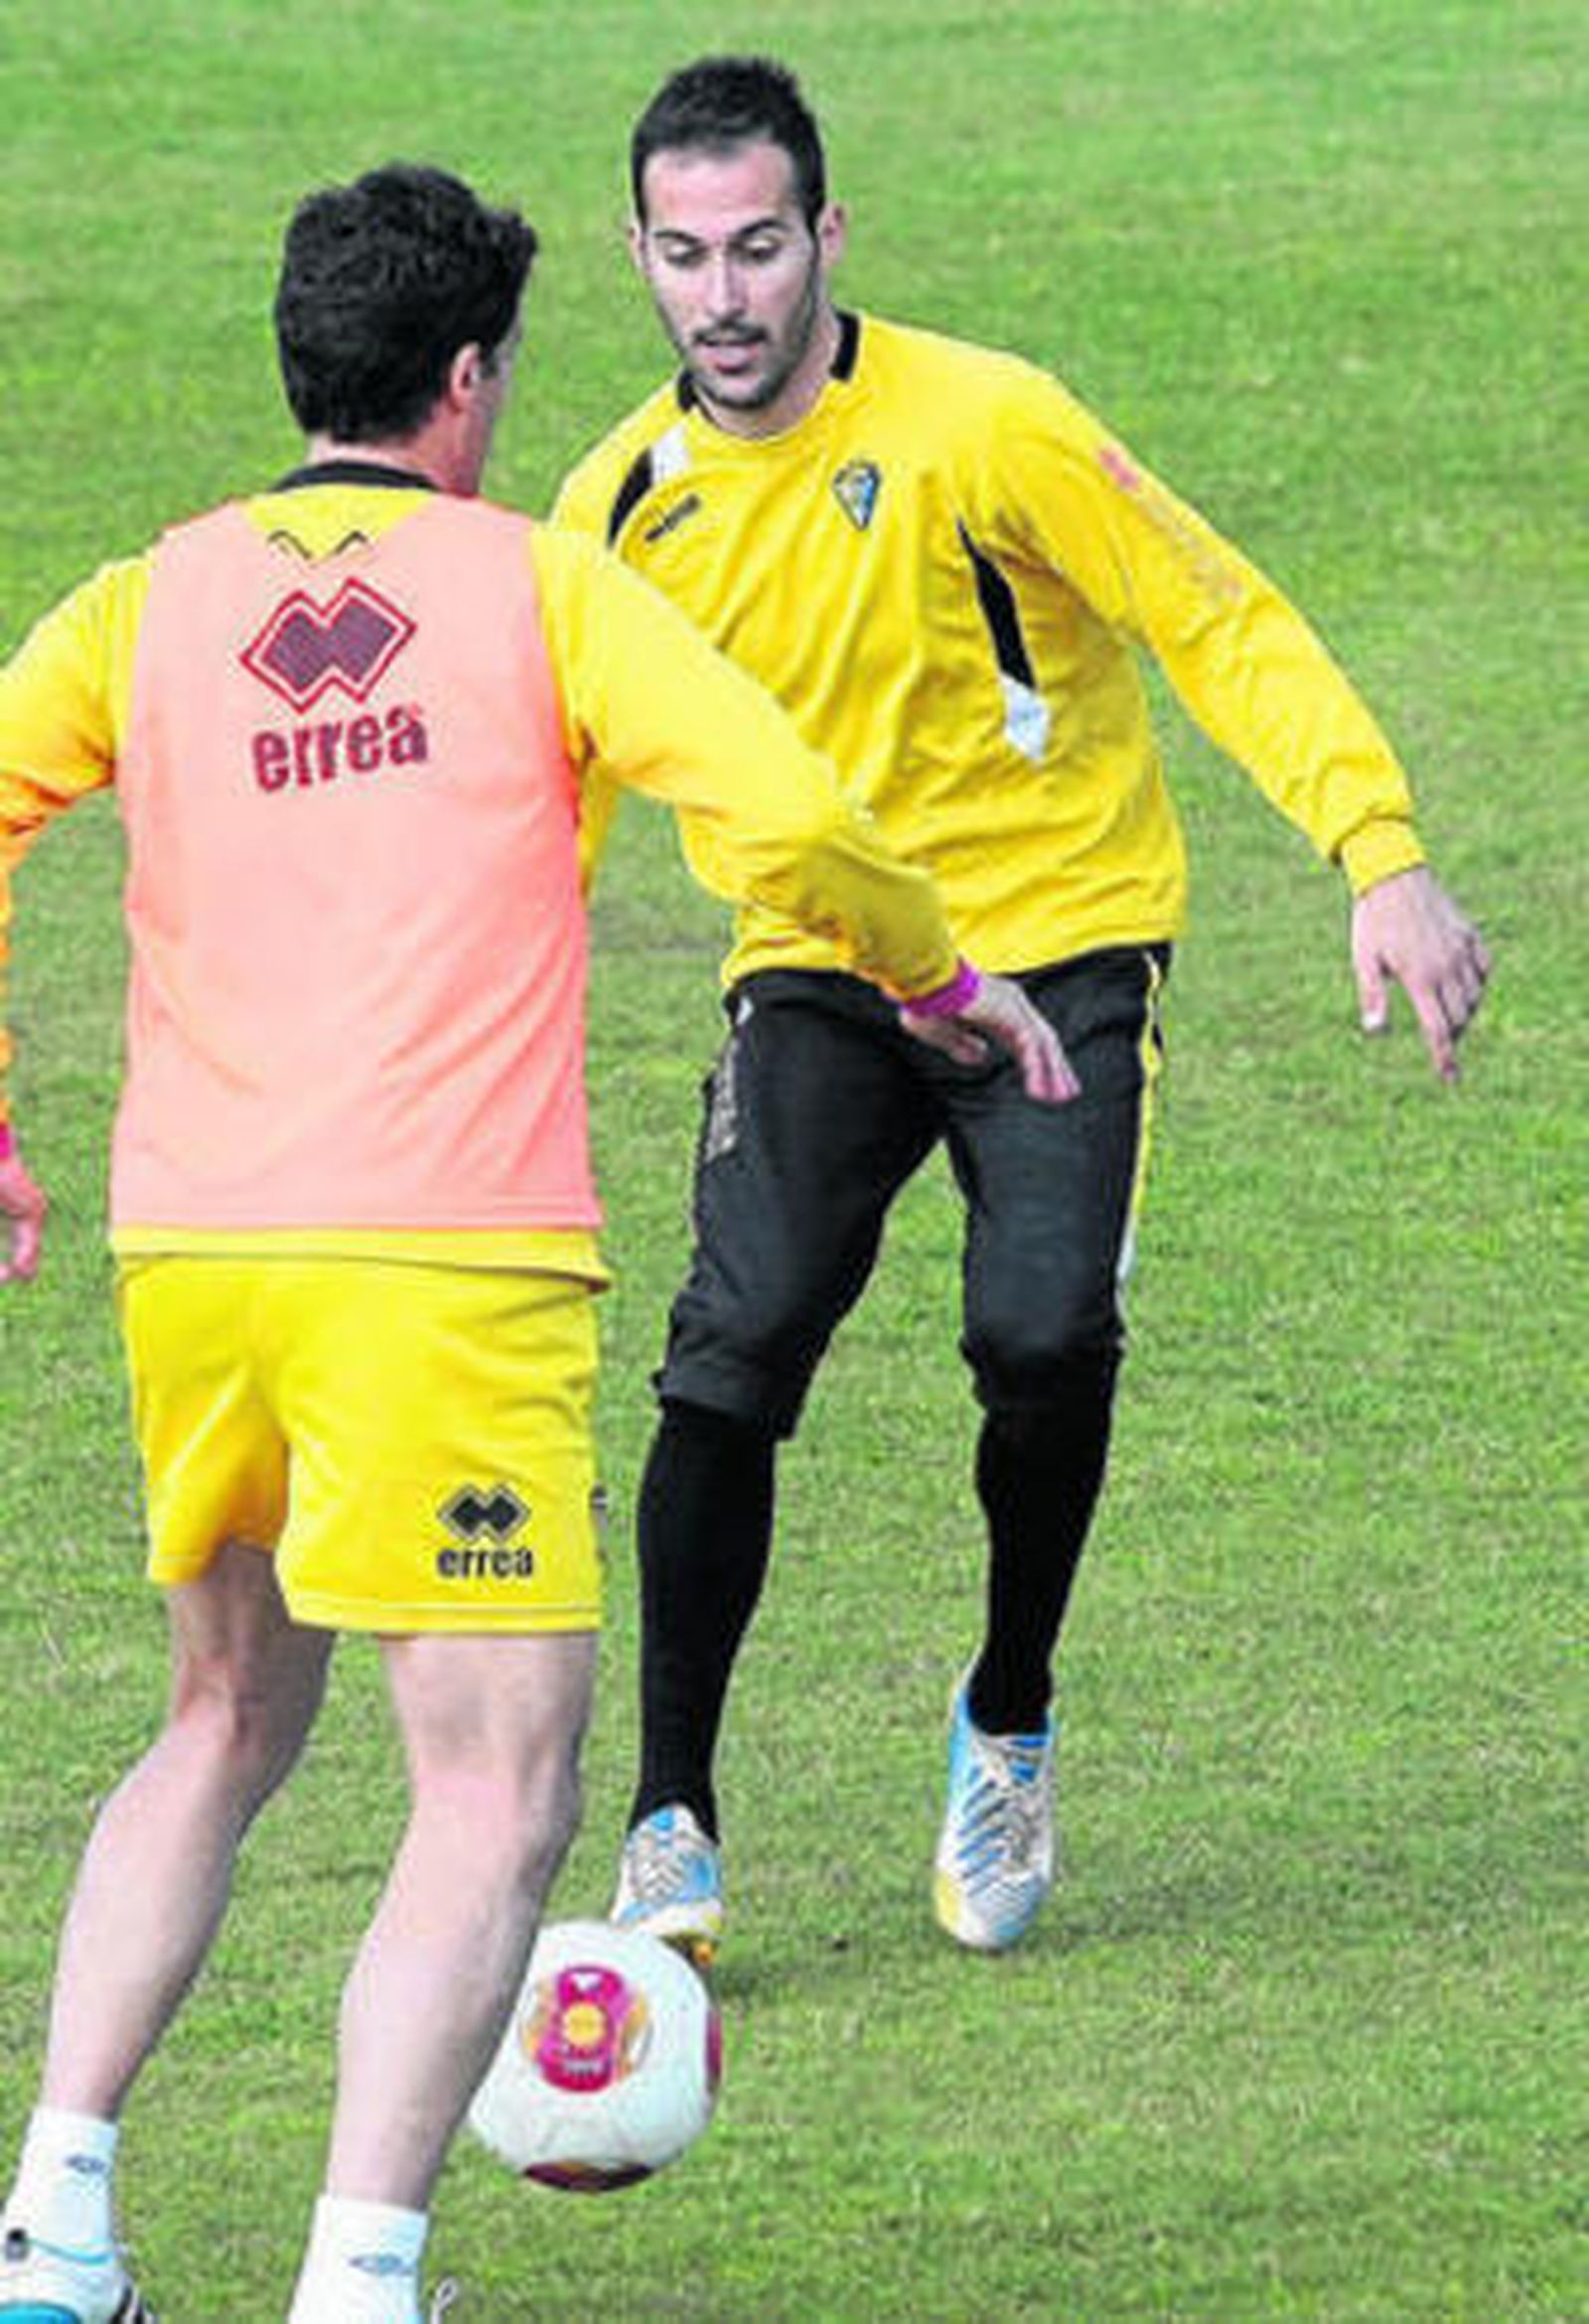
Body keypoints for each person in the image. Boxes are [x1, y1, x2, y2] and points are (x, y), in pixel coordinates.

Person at [0, 163, 1066, 2324]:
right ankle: (360, 2283)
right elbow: (784, 817)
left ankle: (58, 2224)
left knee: (216, 1718)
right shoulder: (534, 592)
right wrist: (942, 980)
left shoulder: (146, 600)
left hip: (194, 1253)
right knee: (492, 1787)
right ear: (468, 384)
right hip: (442, 1258)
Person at [552, 55, 1492, 1965]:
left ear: (829, 236)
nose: (723, 297)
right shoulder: (617, 509)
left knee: (1045, 1340)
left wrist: (1373, 847)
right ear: (635, 257)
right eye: (682, 256)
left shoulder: (992, 424)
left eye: (755, 248)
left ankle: (1009, 1710)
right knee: (731, 1351)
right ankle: (670, 1815)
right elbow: (543, 796)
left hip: (1059, 951)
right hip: (819, 962)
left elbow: (1210, 614)